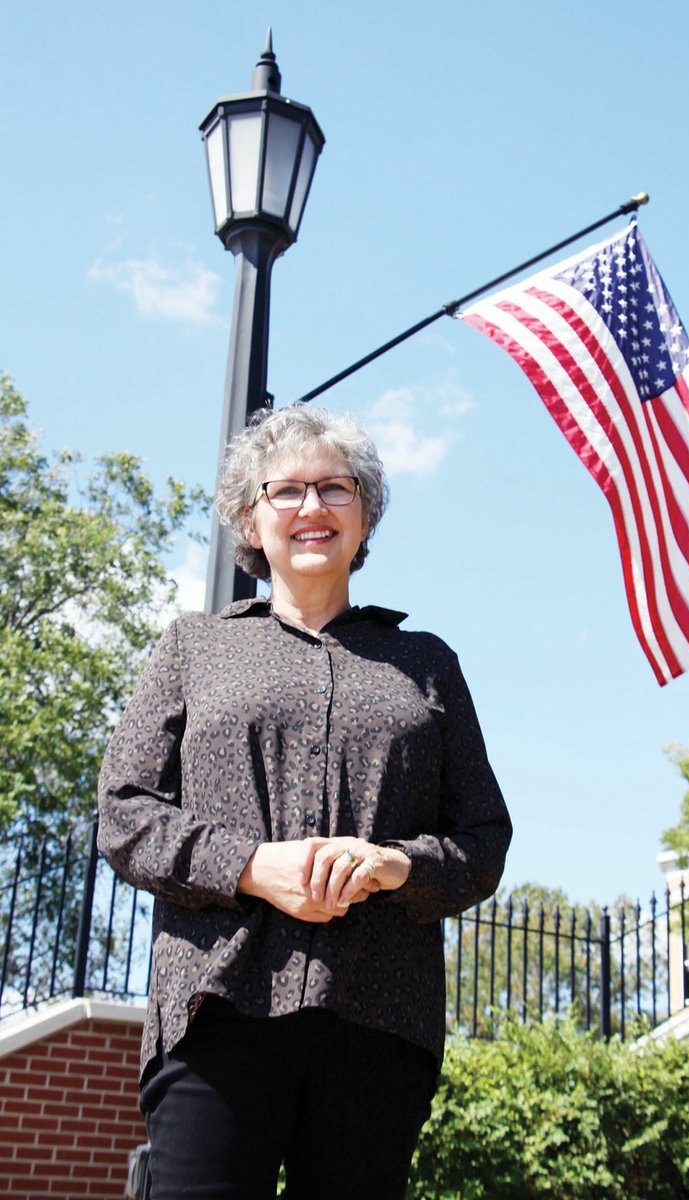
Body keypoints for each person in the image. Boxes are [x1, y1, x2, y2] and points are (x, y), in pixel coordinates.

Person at [97, 403, 512, 1199]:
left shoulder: (427, 664)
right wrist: (253, 866)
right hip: (217, 1009)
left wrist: (398, 865)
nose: (312, 508)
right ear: (250, 518)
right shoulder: (195, 646)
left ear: (366, 514)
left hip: (381, 1018)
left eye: (336, 488)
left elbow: (483, 839)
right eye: (285, 491)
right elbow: (124, 812)